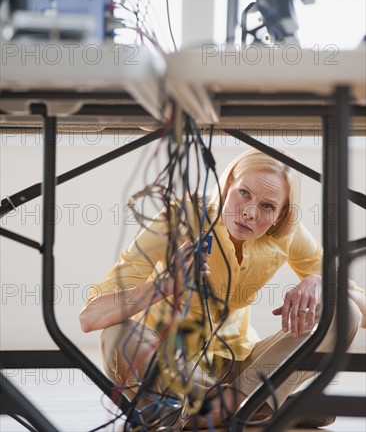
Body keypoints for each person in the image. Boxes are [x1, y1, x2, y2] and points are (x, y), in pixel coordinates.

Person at [80, 147, 365, 429]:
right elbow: (90, 318)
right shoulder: (179, 217)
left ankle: (219, 409)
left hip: (244, 368)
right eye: (244, 193)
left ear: (280, 215)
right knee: (118, 334)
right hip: (173, 369)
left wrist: (319, 281)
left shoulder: (288, 234)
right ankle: (261, 409)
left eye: (268, 206)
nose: (250, 213)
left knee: (344, 311)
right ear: (227, 185)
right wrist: (167, 284)